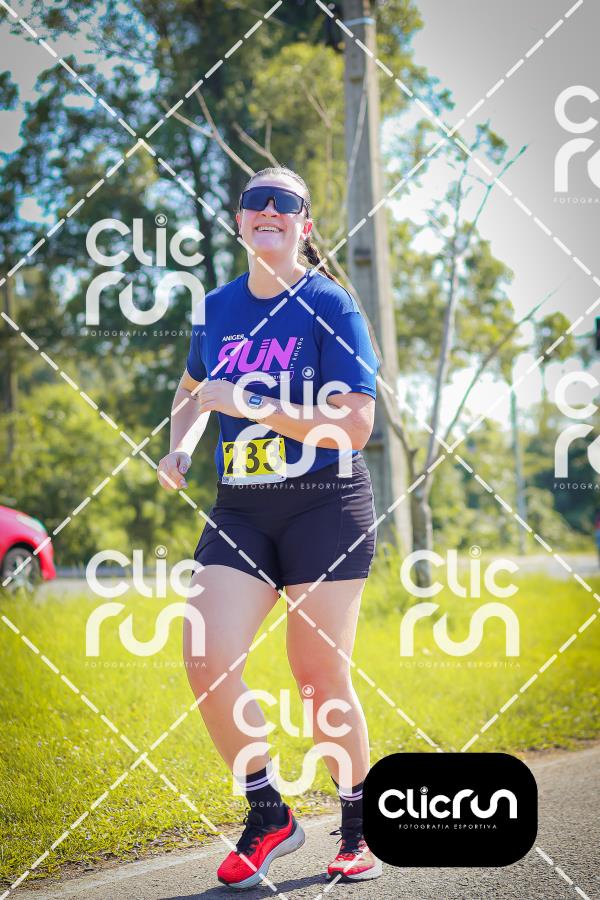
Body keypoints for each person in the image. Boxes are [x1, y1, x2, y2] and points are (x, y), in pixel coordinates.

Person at [157, 166, 382, 888]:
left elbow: (356, 424)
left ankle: (357, 832)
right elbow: (192, 389)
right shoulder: (216, 308)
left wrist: (251, 404)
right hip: (243, 508)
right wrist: (181, 443)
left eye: (286, 203)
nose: (270, 210)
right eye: (256, 201)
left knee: (316, 675)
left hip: (326, 503)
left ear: (303, 226)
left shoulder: (330, 305)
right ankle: (268, 814)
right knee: (205, 653)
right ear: (240, 221)